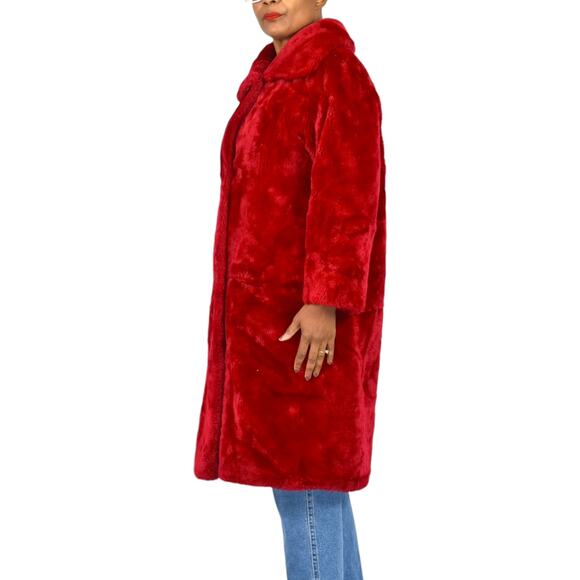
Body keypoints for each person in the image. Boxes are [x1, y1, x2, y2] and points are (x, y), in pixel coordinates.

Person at [194, 2, 387, 578]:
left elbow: (349, 194)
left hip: (306, 323)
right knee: (313, 485)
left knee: (305, 482)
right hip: (269, 321)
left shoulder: (335, 74)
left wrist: (324, 300)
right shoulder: (270, 82)